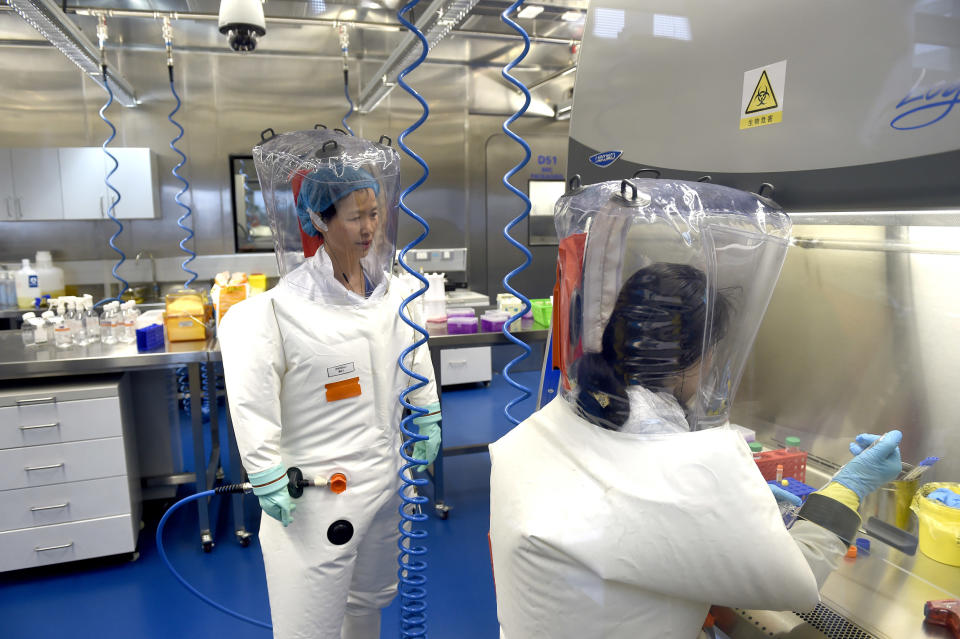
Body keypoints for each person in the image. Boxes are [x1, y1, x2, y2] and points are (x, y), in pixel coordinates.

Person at [489, 178, 903, 639]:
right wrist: (849, 487)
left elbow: (627, 516)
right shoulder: (677, 456)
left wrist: (734, 509)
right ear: (693, 358)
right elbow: (795, 581)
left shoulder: (570, 413)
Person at [219, 129, 441, 639]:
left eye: (374, 212)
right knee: (310, 625)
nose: (368, 228)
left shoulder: (395, 296)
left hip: (384, 485)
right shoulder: (274, 312)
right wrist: (264, 469)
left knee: (367, 604)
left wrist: (426, 411)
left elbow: (415, 358)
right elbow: (251, 401)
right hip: (317, 497)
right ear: (319, 220)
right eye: (354, 215)